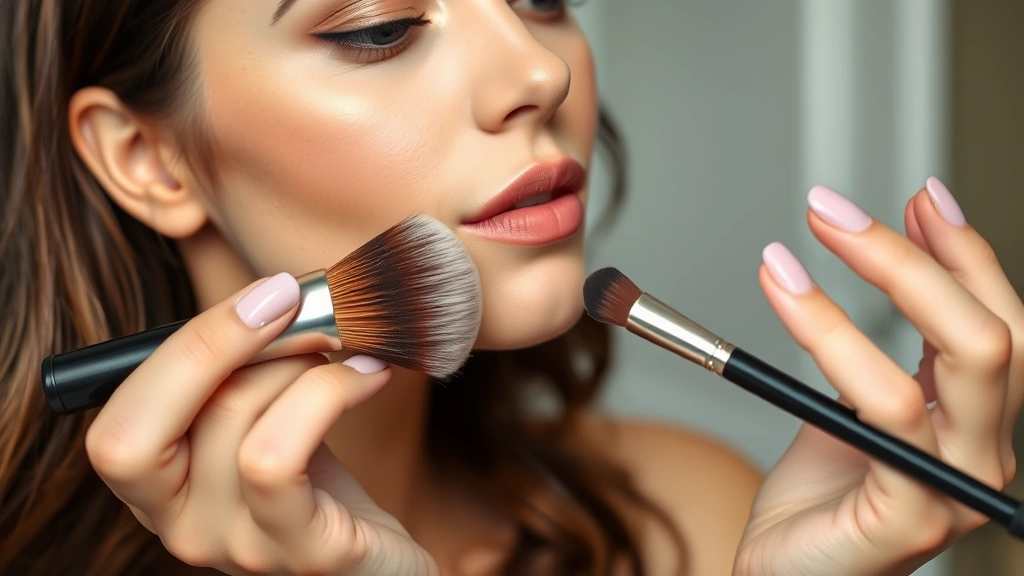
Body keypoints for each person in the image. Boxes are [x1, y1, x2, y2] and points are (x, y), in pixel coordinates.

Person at [1, 1, 1020, 575]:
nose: (540, 69)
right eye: (380, 27)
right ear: (147, 158)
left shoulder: (691, 521)